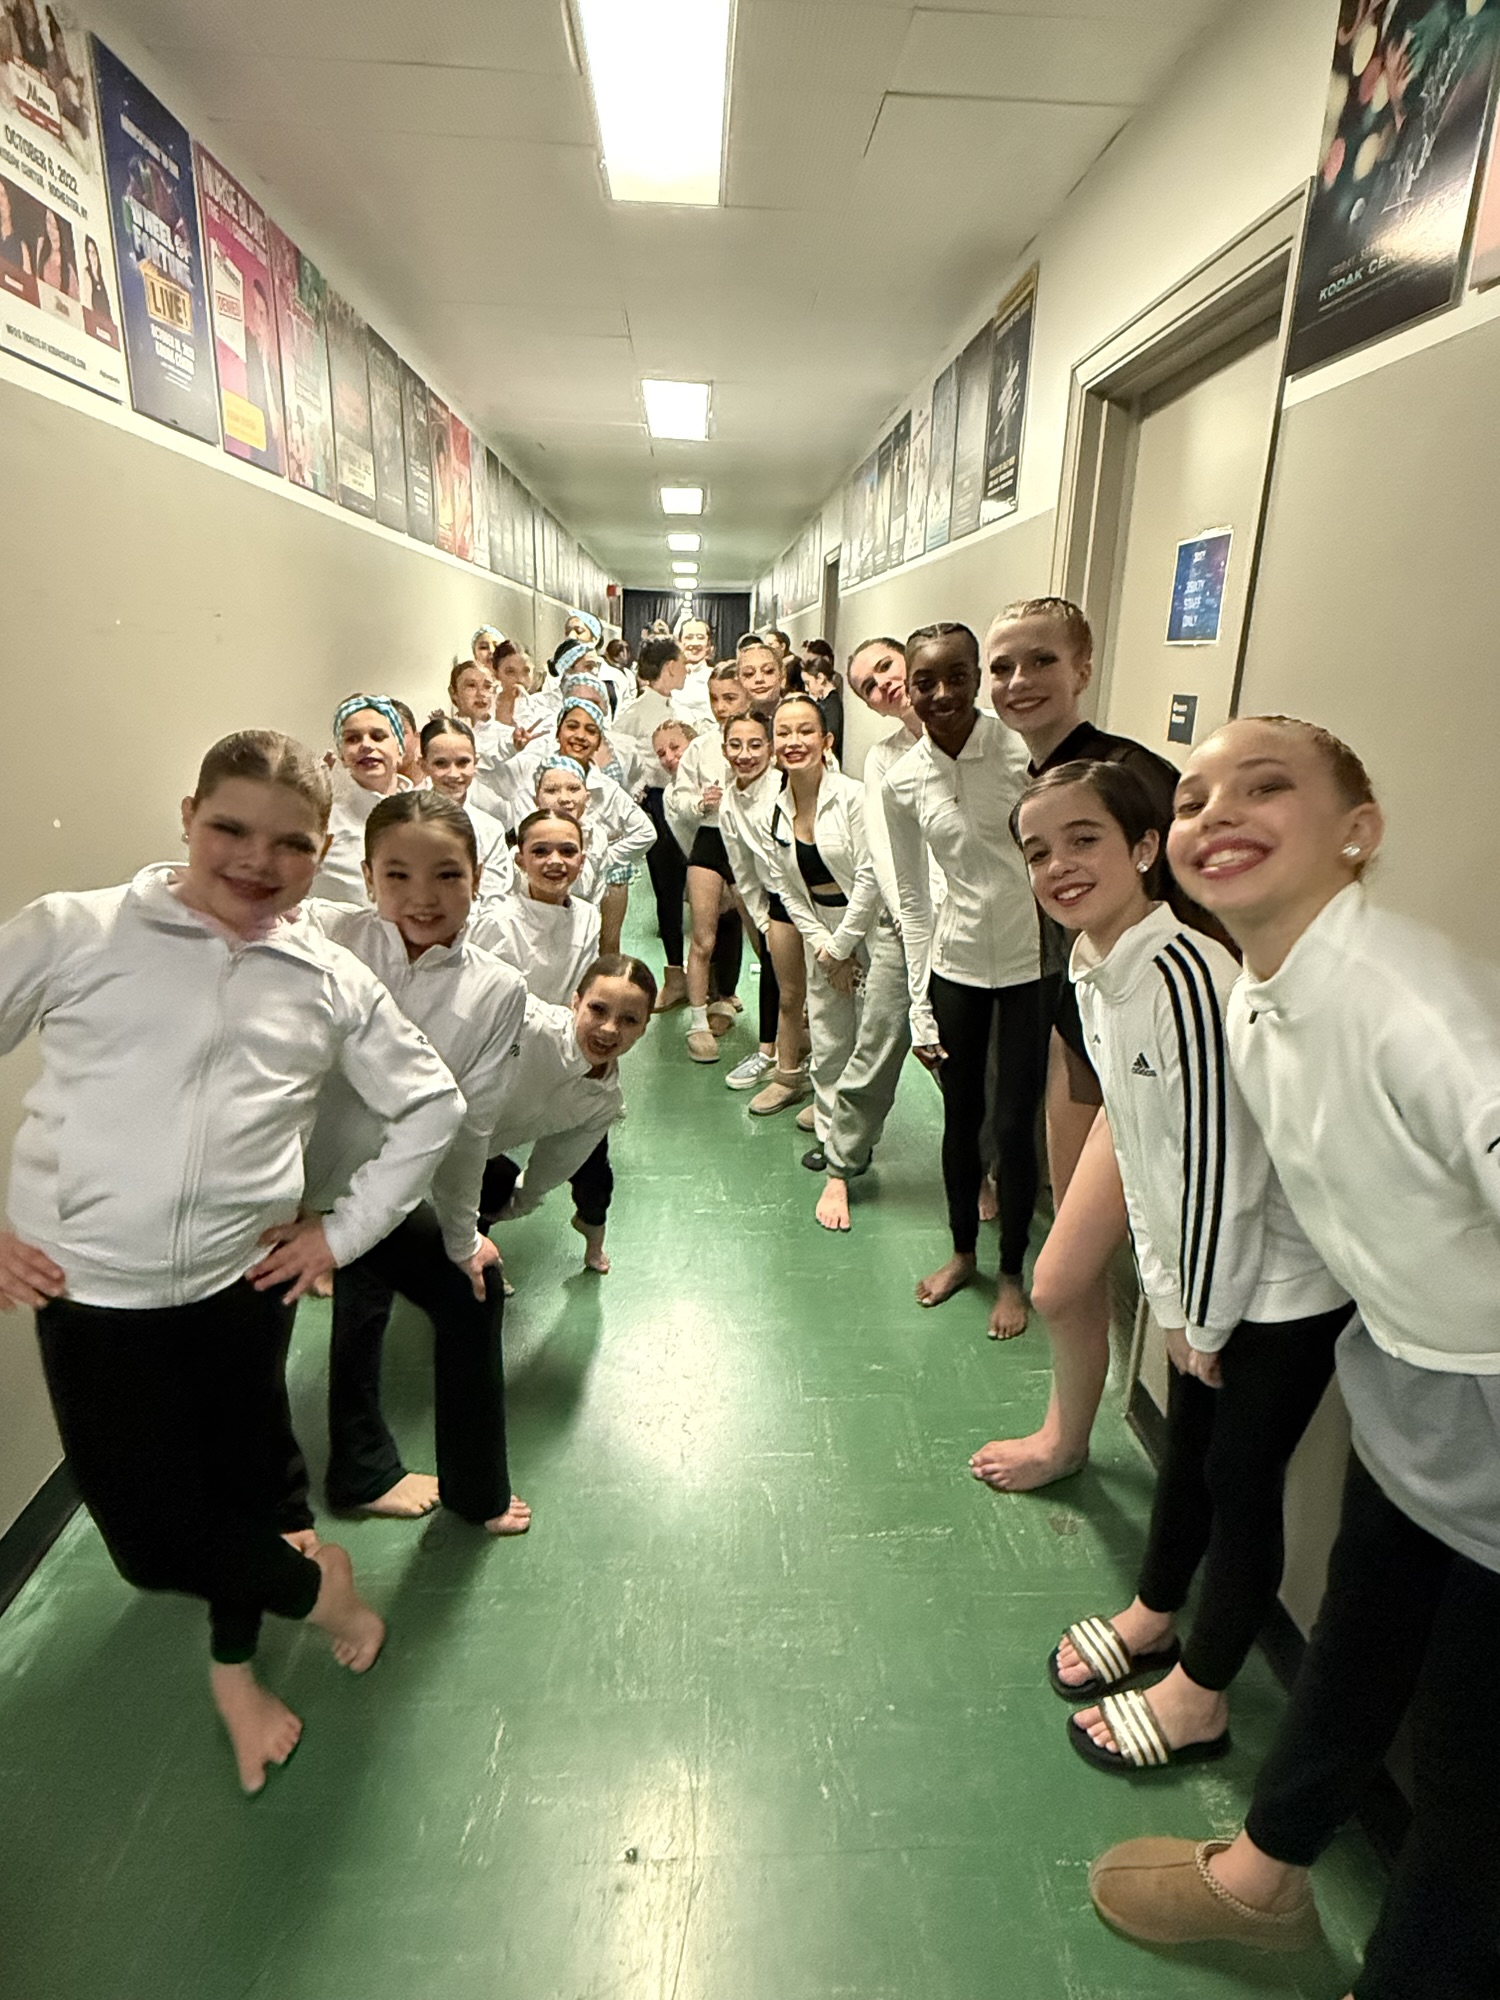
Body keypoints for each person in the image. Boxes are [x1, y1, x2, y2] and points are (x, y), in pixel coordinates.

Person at [1089, 714, 1500, 2000]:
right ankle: (1264, 1880)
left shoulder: (1405, 999)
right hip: (1409, 1375)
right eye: (1195, 797)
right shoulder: (1260, 997)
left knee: (1476, 1768)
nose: (1216, 813)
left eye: (1264, 786)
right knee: (1360, 1639)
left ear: (1357, 831)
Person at [0, 730, 466, 1793]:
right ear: (187, 816)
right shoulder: (78, 931)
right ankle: (319, 1593)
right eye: (230, 829)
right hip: (91, 1293)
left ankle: (236, 1672)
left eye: (292, 843)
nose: (258, 862)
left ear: (323, 850)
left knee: (246, 1495)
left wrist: (337, 1235)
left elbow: (430, 1103)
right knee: (150, 1542)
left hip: (241, 1287)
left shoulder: (326, 976)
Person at [1014, 760, 1349, 1772]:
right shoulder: (1096, 967)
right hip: (1207, 1278)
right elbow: (1146, 1155)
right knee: (1193, 1452)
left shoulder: (1184, 977)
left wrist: (1194, 1316)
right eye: (1038, 850)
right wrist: (1175, 1301)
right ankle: (1156, 1611)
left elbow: (1218, 1170)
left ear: (1145, 848)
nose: (1060, 865)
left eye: (1084, 840)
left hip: (1275, 1288)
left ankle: (1202, 1697)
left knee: (1240, 1481)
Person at [971, 596, 1186, 1488]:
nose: (1018, 682)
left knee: (1062, 1275)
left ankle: (1079, 1436)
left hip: (1150, 1052)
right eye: (1003, 667)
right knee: (1071, 1261)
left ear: (1084, 668)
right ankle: (1067, 1435)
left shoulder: (1132, 776)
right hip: (1082, 1029)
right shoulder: (1033, 776)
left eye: (1041, 662)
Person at [299, 791, 531, 1537]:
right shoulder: (325, 937)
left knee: (471, 1292)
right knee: (257, 1336)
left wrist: (461, 1239)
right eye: (397, 875)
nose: (422, 898)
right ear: (367, 876)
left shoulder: (497, 989)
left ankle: (476, 1490)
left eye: (447, 875)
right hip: (274, 1193)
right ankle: (331, 1487)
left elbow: (470, 1124)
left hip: (379, 1195)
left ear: (478, 877)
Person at [883, 623, 1046, 1339]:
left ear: (979, 678)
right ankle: (961, 1254)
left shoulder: (1022, 753)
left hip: (1031, 964)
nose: (942, 693)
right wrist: (920, 1001)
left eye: (957, 676)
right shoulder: (903, 780)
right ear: (909, 690)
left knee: (1013, 1124)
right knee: (961, 1121)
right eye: (926, 681)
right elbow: (913, 899)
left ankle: (1011, 1273)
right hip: (957, 966)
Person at [812, 637, 928, 1232]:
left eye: (885, 667)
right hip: (904, 926)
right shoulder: (884, 759)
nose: (883, 684)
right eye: (867, 686)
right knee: (878, 1043)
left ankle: (985, 1167)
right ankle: (842, 1164)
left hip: (977, 932)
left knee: (976, 1061)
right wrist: (910, 921)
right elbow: (882, 853)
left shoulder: (987, 735)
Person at [481, 956, 656, 1276]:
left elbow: (555, 1163)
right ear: (575, 1002)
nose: (609, 1029)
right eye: (598, 1009)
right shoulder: (525, 1023)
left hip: (469, 1162)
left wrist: (515, 1204)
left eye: (629, 1020)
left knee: (497, 1184)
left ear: (644, 1028)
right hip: (410, 1137)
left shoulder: (603, 1101)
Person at [767, 695, 881, 1166]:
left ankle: (859, 1139)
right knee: (830, 1040)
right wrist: (824, 947)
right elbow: (786, 887)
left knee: (873, 1041)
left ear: (826, 740)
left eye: (805, 731)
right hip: (822, 932)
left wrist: (843, 946)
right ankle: (834, 1139)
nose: (794, 742)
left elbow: (871, 877)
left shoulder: (853, 796)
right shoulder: (777, 810)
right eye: (784, 733)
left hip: (871, 929)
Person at [720, 706, 811, 1116]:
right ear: (724, 748)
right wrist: (762, 922)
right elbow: (743, 871)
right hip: (776, 903)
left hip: (814, 898)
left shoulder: (786, 787)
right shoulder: (729, 801)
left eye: (755, 744)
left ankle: (825, 1073)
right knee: (786, 989)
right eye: (736, 745)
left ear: (770, 748)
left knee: (826, 992)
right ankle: (776, 1060)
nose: (745, 754)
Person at [667, 665, 752, 1062]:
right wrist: (700, 803)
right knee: (703, 937)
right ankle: (698, 1022)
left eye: (729, 698)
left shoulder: (763, 742)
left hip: (749, 842)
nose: (720, 707)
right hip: (711, 837)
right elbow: (679, 797)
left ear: (748, 696)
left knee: (765, 939)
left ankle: (777, 1027)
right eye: (715, 698)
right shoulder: (701, 748)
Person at [612, 635, 691, 1010]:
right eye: (683, 664)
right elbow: (616, 759)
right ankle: (675, 977)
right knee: (669, 891)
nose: (687, 671)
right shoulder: (637, 712)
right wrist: (637, 792)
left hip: (690, 801)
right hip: (657, 804)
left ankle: (711, 982)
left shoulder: (678, 708)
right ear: (670, 667)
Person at [472, 808, 600, 1007]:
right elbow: (485, 1001)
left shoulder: (588, 916)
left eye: (567, 851)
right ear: (520, 861)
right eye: (540, 851)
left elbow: (581, 994)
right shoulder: (495, 923)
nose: (555, 861)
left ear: (582, 861)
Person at [533, 754, 653, 938]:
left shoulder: (596, 838)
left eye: (573, 789)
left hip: (582, 934)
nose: (564, 798)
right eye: (552, 790)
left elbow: (592, 895)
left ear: (587, 797)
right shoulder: (526, 841)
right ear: (536, 799)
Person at [310, 695, 411, 904]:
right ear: (342, 756)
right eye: (352, 739)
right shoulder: (322, 821)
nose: (366, 745)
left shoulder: (431, 817)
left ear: (400, 749)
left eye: (378, 736)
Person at [419, 714, 510, 906]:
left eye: (462, 762)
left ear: (476, 763)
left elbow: (494, 898)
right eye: (441, 763)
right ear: (423, 765)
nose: (453, 774)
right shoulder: (404, 821)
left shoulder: (490, 829)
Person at [802, 647, 845, 764]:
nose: (806, 689)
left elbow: (830, 739)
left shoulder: (831, 705)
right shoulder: (826, 702)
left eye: (808, 683)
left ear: (820, 678)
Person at [674, 616, 717, 727]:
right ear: (679, 643)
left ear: (708, 645)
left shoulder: (716, 676)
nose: (694, 643)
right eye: (688, 637)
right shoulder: (668, 676)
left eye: (700, 638)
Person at [737, 639, 786, 719]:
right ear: (738, 678)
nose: (759, 679)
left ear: (782, 673)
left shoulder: (799, 715)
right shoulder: (732, 721)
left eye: (768, 671)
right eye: (749, 674)